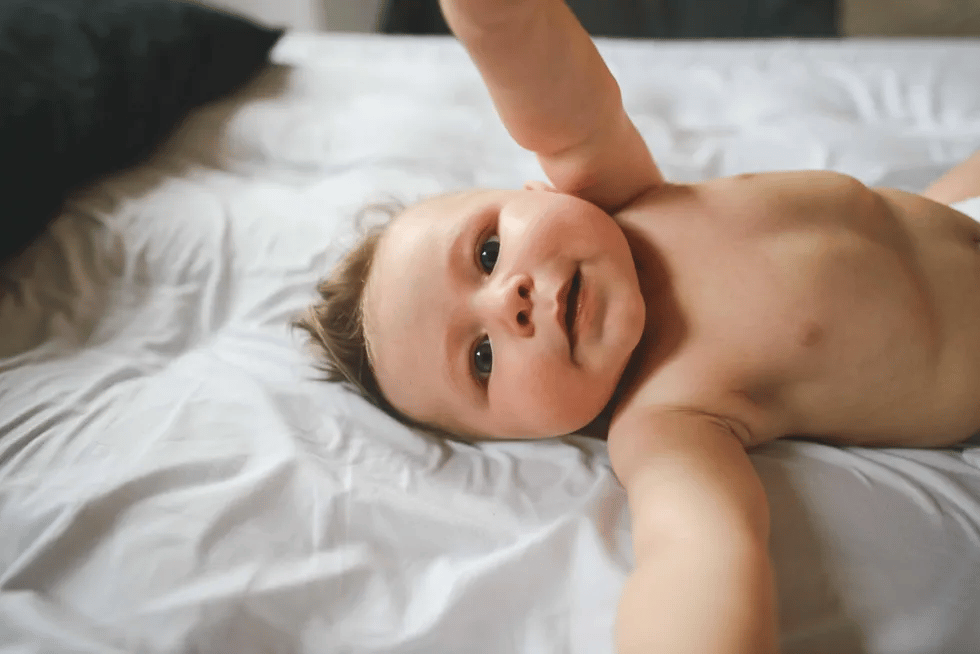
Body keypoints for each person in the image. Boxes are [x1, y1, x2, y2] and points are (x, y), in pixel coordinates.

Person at [294, 1, 980, 651]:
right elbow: (696, 555)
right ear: (529, 434)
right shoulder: (665, 420)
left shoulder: (622, 197)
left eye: (488, 253)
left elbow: (538, 66)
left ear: (538, 192)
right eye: (481, 358)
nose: (511, 302)